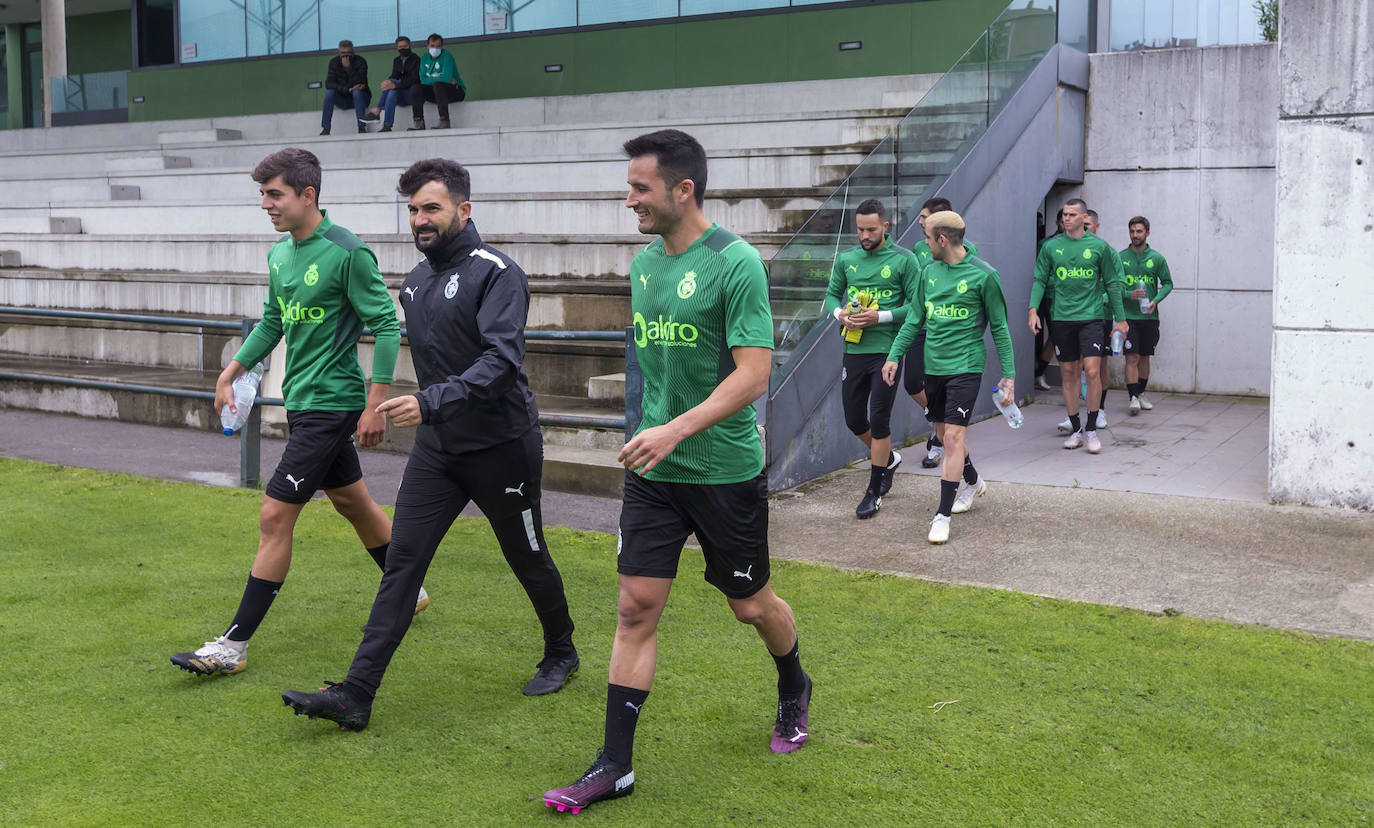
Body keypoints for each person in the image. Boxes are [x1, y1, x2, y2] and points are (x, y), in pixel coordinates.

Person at [542, 130, 810, 815]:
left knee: (750, 606)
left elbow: (753, 376)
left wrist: (675, 427)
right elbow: (657, 367)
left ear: (682, 189)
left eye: (640, 188)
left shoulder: (736, 263)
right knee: (634, 609)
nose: (628, 198)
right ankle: (614, 766)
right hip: (654, 475)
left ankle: (793, 684)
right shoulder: (643, 265)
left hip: (723, 473)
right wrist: (649, 433)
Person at [280, 158, 580, 731]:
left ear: (463, 210)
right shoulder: (413, 284)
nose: (419, 219)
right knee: (402, 565)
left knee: (526, 555)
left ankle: (561, 650)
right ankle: (356, 695)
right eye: (413, 209)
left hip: (502, 448)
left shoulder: (498, 273)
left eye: (431, 208)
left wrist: (428, 401)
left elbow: (501, 362)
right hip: (439, 451)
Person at [171, 148, 413, 677]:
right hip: (302, 403)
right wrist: (231, 370)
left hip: (333, 405)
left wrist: (376, 405)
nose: (265, 204)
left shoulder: (348, 252)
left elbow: (388, 326)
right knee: (353, 503)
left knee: (274, 515)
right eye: (262, 194)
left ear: (308, 195)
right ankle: (409, 590)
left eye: (274, 194)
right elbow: (271, 322)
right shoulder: (281, 256)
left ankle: (232, 646)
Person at [883, 211, 1013, 544]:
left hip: (966, 366)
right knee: (943, 434)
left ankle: (941, 516)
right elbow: (914, 319)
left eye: (927, 238)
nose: (923, 245)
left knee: (952, 438)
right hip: (933, 367)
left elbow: (999, 327)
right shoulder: (928, 273)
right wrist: (895, 355)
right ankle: (972, 480)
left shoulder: (985, 276)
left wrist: (1009, 375)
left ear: (941, 239)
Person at [824, 198, 919, 518]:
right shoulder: (846, 258)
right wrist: (840, 315)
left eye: (871, 229)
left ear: (886, 227)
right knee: (854, 419)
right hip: (853, 349)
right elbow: (830, 296)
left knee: (879, 419)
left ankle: (874, 491)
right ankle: (888, 459)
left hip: (887, 352)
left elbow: (916, 307)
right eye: (860, 229)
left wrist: (880, 317)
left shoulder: (905, 260)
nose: (864, 235)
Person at [1029, 199, 1126, 454]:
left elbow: (1114, 283)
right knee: (1068, 373)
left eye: (1072, 215)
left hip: (1092, 317)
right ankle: (1076, 429)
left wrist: (1121, 319)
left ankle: (1092, 427)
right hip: (1062, 318)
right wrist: (1032, 310)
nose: (1066, 219)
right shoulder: (1051, 247)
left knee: (1092, 371)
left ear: (1085, 219)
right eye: (1064, 215)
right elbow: (1039, 278)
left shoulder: (1099, 247)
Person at [908, 197, 979, 469]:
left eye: (924, 217)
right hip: (922, 325)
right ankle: (937, 422)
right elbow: (917, 293)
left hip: (950, 335)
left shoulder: (968, 252)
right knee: (913, 383)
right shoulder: (919, 248)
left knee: (950, 433)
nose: (920, 221)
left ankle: (939, 440)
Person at [1118, 215, 1172, 414]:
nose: (1135, 235)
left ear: (1147, 233)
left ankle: (1141, 393)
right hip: (1129, 317)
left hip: (1149, 317)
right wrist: (1128, 294)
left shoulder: (1156, 258)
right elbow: (1114, 286)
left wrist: (1155, 300)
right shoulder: (1120, 257)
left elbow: (1168, 283)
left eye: (1139, 231)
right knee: (1131, 357)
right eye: (1132, 231)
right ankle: (1132, 397)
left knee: (1145, 357)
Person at [360, 37, 420, 133]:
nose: (403, 48)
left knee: (392, 84)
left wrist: (395, 84)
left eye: (405, 46)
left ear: (410, 46)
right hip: (400, 95)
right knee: (392, 92)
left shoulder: (416, 59)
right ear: (397, 48)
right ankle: (387, 125)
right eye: (400, 47)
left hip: (411, 95)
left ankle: (377, 111)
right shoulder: (397, 60)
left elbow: (415, 79)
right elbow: (394, 75)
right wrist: (387, 82)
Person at [409, 34, 465, 131]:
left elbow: (446, 78)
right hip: (437, 93)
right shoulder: (424, 58)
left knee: (438, 85)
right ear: (427, 46)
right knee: (415, 88)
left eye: (438, 46)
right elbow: (422, 79)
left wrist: (433, 80)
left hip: (456, 91)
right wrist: (440, 78)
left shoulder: (447, 57)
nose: (435, 48)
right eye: (432, 46)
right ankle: (419, 123)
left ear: (442, 47)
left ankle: (445, 121)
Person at [1035, 208, 1063, 392]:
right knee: (1057, 337)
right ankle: (1039, 372)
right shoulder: (1047, 244)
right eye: (1063, 219)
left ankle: (1040, 371)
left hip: (1065, 298)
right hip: (1048, 297)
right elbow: (1040, 272)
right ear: (1057, 222)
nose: (1066, 223)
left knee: (1056, 337)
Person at [320, 40, 370, 136]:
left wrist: (348, 68)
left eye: (348, 53)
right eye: (343, 53)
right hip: (343, 98)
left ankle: (361, 126)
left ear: (353, 52)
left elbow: (360, 83)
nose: (345, 56)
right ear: (339, 53)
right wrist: (348, 89)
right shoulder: (334, 62)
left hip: (361, 98)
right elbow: (329, 84)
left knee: (357, 92)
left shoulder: (360, 61)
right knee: (330, 93)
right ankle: (326, 128)